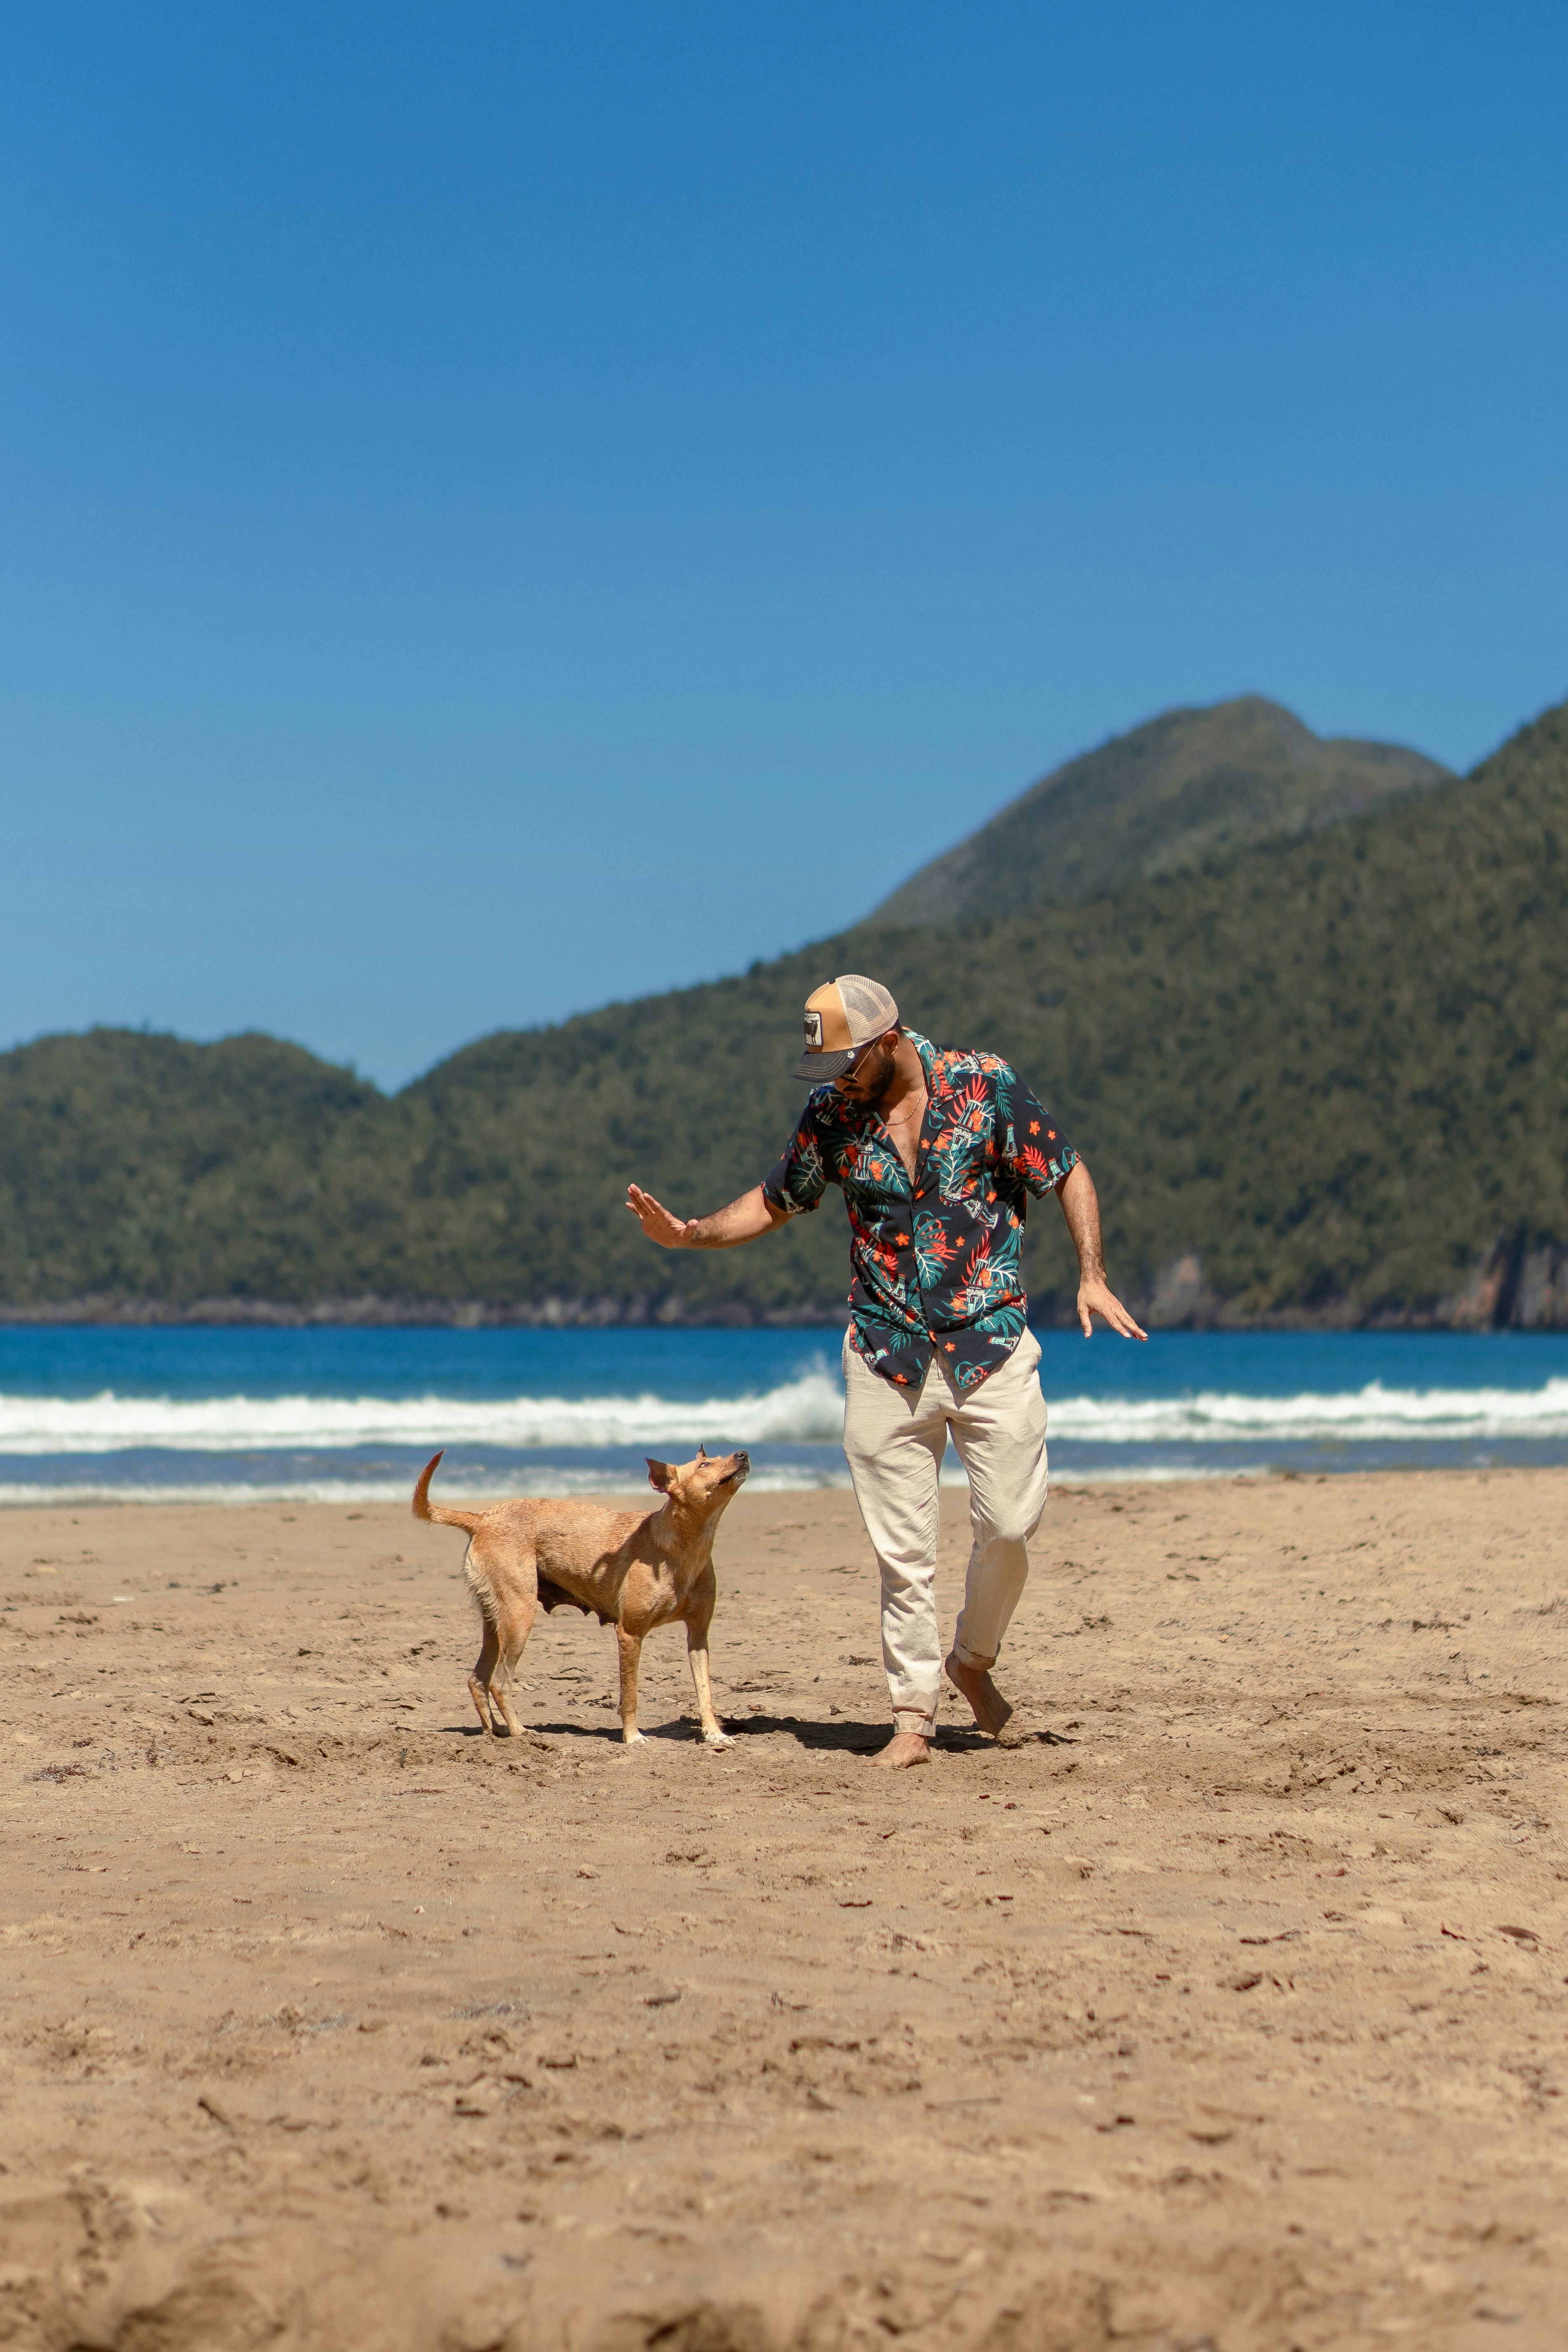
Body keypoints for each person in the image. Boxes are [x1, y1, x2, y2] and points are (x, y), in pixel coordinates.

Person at [625, 974, 1146, 1768]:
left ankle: (970, 1660)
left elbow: (1066, 1168)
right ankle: (913, 1715)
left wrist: (1092, 1273)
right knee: (903, 1554)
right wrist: (690, 1234)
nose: (838, 1080)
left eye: (849, 1063)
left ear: (890, 1043)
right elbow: (776, 1200)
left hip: (990, 1342)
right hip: (884, 1352)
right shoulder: (834, 1114)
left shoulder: (984, 1085)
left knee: (1009, 1524)